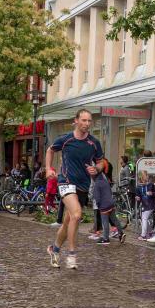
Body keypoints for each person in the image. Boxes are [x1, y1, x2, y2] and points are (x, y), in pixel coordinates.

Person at [46, 109, 105, 270]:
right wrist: (48, 168)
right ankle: (72, 254)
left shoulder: (94, 143)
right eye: (84, 120)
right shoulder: (66, 139)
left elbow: (100, 162)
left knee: (68, 222)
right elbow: (50, 150)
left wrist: (96, 169)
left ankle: (54, 249)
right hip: (65, 182)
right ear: (76, 120)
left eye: (89, 121)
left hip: (83, 186)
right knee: (77, 215)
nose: (87, 124)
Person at [91, 160, 126, 244]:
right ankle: (121, 233)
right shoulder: (105, 180)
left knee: (105, 222)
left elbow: (96, 197)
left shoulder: (97, 183)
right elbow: (110, 191)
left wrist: (98, 205)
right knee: (115, 219)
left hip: (103, 206)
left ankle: (106, 238)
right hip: (111, 203)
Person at [136, 170, 155, 240]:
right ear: (141, 177)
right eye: (146, 175)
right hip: (144, 205)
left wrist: (152, 193)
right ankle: (150, 232)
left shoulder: (151, 185)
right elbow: (138, 196)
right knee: (145, 219)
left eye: (147, 175)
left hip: (151, 204)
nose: (147, 176)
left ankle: (143, 235)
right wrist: (137, 198)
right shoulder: (138, 187)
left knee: (144, 218)